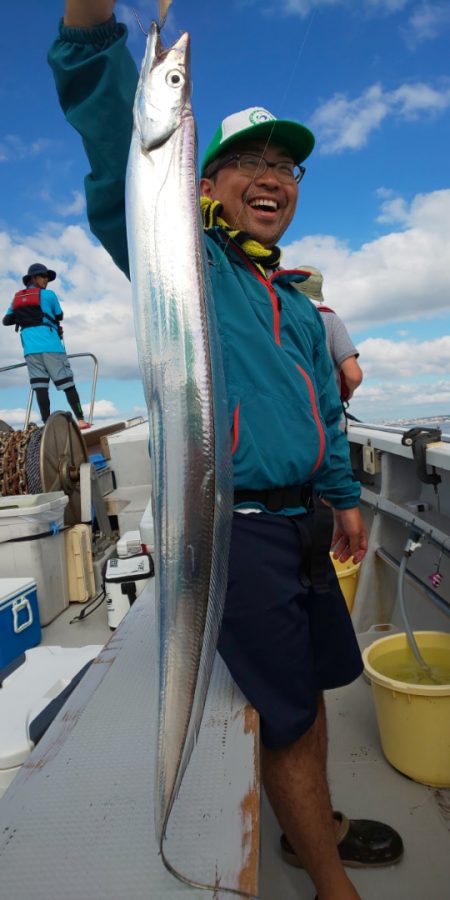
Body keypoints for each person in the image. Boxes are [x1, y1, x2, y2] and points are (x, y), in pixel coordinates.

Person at [48, 6, 403, 899]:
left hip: (306, 523)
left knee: (317, 686)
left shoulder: (287, 294)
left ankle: (309, 826)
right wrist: (97, 40)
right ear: (202, 182)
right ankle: (327, 881)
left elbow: (320, 402)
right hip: (235, 529)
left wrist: (344, 496)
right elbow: (111, 146)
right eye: (250, 162)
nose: (272, 178)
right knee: (283, 716)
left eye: (286, 166)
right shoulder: (183, 255)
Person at [2, 263, 91, 430]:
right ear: (33, 278)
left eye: (47, 277)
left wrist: (24, 314)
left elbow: (6, 321)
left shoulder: (17, 299)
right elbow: (59, 315)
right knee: (67, 384)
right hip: (52, 348)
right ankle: (80, 420)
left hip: (30, 351)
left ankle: (48, 426)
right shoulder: (49, 295)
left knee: (40, 387)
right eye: (43, 276)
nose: (46, 280)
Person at [293, 266, 363, 403]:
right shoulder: (329, 319)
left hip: (290, 413)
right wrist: (347, 393)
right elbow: (354, 376)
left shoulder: (278, 317)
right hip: (326, 412)